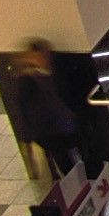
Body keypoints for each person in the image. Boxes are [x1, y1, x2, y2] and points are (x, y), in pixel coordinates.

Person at [11, 42, 81, 177]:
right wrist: (27, 138)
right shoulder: (27, 82)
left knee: (71, 158)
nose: (42, 60)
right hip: (51, 131)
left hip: (64, 127)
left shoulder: (52, 74)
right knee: (65, 162)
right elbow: (25, 111)